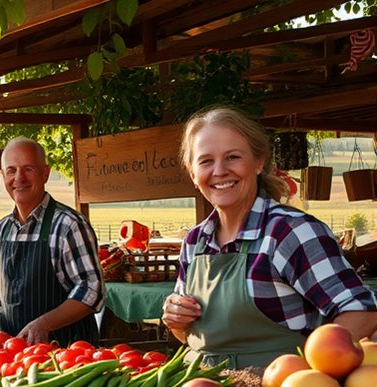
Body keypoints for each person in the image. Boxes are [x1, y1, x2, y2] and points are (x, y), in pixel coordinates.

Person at [161, 106, 377, 368]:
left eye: (232, 157)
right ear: (193, 173)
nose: (219, 171)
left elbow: (361, 313)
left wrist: (313, 373)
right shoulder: (195, 242)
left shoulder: (289, 232)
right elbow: (189, 336)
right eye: (206, 161)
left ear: (259, 161)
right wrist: (177, 320)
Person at [0, 137, 104, 345]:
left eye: (28, 169)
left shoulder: (68, 225)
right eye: (11, 170)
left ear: (45, 173)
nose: (19, 178)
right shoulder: (2, 229)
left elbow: (92, 289)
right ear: (2, 176)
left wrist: (45, 323)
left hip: (67, 357)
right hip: (14, 355)